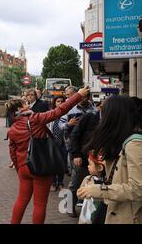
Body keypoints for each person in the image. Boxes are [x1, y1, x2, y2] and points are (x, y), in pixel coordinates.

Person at [6, 86, 90, 224]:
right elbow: (59, 111)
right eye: (25, 103)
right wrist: (78, 95)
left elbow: (12, 152)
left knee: (21, 200)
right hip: (40, 167)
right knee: (39, 204)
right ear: (21, 108)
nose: (28, 104)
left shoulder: (13, 128)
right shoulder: (36, 118)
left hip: (23, 168)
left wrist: (19, 168)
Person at [77, 95, 142, 224]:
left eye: (104, 114)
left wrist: (99, 190)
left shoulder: (134, 144)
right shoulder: (122, 141)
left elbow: (137, 189)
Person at [59, 89, 95, 216]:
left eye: (87, 97)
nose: (84, 99)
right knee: (75, 180)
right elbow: (60, 126)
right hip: (75, 149)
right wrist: (68, 124)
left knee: (88, 180)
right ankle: (69, 207)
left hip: (90, 152)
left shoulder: (94, 110)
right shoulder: (70, 109)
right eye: (82, 97)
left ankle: (84, 206)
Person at [78, 152, 106, 224]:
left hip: (102, 208)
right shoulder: (87, 179)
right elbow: (79, 193)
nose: (88, 166)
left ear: (100, 167)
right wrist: (82, 193)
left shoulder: (107, 181)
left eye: (90, 164)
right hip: (88, 207)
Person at [47, 96, 67, 191]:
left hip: (63, 142)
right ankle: (53, 182)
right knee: (52, 163)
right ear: (54, 103)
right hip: (52, 141)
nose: (60, 102)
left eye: (62, 101)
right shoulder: (50, 113)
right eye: (58, 101)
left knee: (62, 162)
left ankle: (60, 182)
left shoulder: (67, 113)